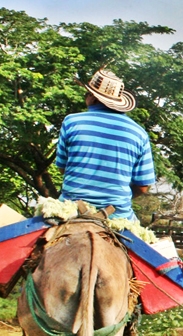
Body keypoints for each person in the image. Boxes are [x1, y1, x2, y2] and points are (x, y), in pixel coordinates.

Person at [56, 67, 155, 221]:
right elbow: (142, 186)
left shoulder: (71, 121)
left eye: (87, 93)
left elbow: (62, 168)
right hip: (116, 216)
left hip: (70, 210)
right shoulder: (139, 133)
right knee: (153, 244)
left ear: (93, 97)